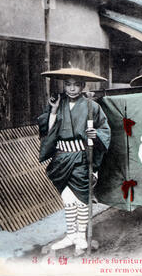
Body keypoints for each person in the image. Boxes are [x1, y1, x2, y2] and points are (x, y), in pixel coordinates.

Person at [38, 68, 111, 252]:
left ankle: (80, 235)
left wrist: (96, 134)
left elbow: (104, 129)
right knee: (67, 198)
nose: (71, 89)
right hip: (61, 157)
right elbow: (48, 129)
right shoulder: (58, 103)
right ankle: (71, 234)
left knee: (82, 200)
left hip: (81, 157)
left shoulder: (91, 106)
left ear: (83, 86)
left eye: (76, 85)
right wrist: (53, 111)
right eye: (68, 85)